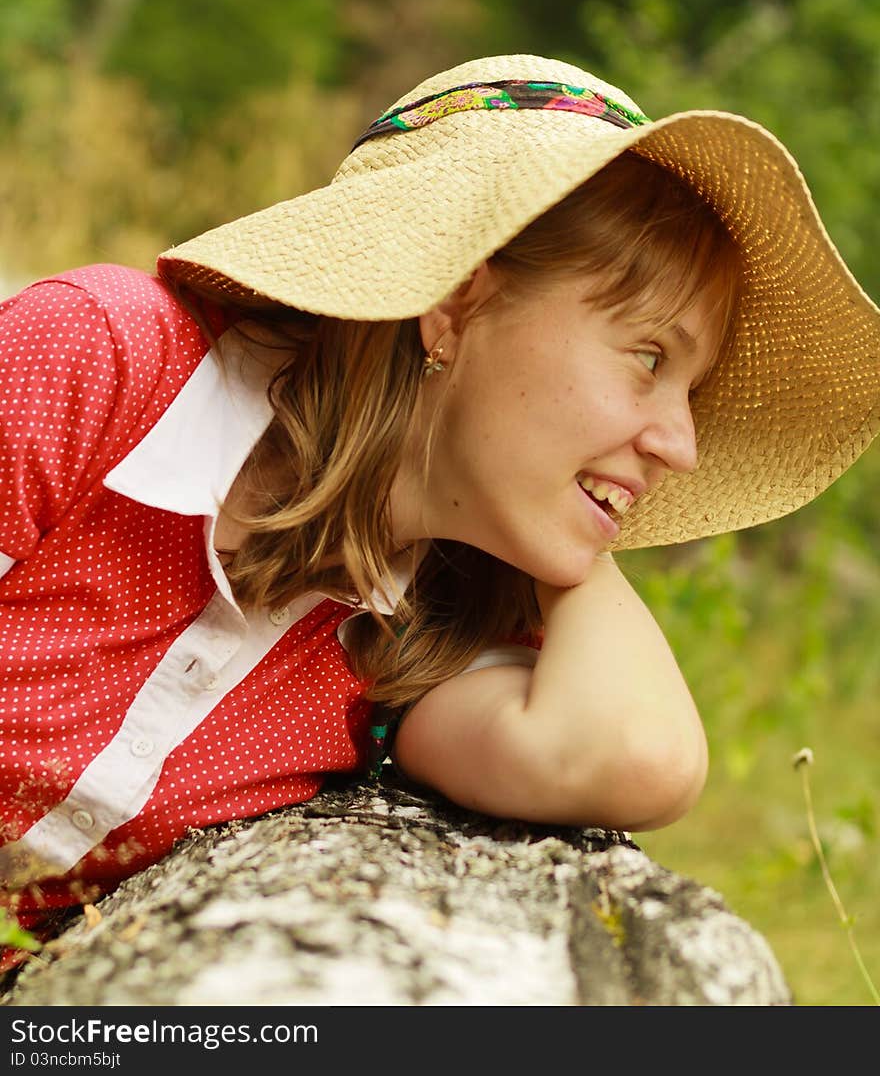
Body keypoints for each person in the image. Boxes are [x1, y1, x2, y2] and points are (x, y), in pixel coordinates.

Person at [1, 52, 879, 972]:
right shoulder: (97, 366)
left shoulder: (423, 629)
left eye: (693, 392)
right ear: (459, 301)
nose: (683, 445)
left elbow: (634, 754)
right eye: (651, 358)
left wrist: (576, 524)